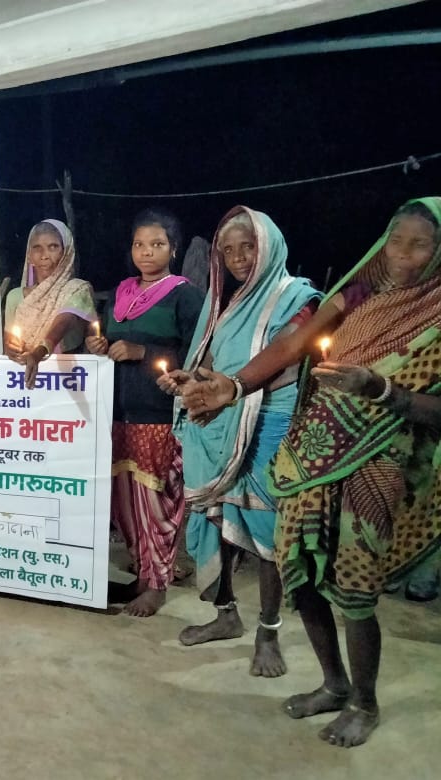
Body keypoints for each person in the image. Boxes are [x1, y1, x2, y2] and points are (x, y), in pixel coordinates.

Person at [182, 198, 441, 747]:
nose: (403, 254)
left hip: (378, 459)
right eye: (396, 240)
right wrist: (235, 386)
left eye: (420, 245)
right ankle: (333, 683)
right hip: (312, 454)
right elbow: (293, 344)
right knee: (298, 570)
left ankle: (364, 703)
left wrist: (382, 389)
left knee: (355, 585)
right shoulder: (360, 292)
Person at [158, 207, 319, 676]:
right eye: (228, 251)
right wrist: (191, 380)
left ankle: (269, 633)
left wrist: (231, 387)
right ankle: (226, 615)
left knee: (268, 534)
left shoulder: (299, 298)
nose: (238, 258)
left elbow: (286, 352)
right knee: (219, 518)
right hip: (221, 419)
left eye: (248, 246)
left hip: (271, 423)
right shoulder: (227, 305)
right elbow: (211, 362)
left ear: (269, 246)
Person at [85, 208, 204, 616]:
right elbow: (108, 342)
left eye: (157, 244)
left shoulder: (185, 295)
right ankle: (141, 571)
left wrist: (144, 352)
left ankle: (157, 583)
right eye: (139, 244)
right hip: (118, 411)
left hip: (158, 413)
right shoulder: (121, 293)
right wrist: (99, 347)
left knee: (156, 503)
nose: (146, 252)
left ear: (174, 249)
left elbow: (198, 355)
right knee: (124, 504)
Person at [3, 218, 96, 387]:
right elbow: (9, 341)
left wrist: (38, 354)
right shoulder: (14, 296)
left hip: (67, 380)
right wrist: (11, 350)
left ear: (66, 253)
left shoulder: (77, 289)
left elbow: (64, 322)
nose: (44, 255)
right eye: (37, 248)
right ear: (29, 255)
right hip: (22, 381)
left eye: (53, 247)